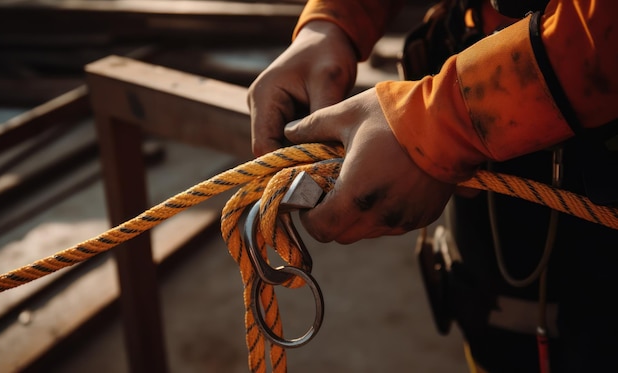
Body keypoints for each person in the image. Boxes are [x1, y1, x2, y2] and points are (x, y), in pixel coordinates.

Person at [247, 0, 618, 372]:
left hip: (583, 134)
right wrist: (334, 22)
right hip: (482, 80)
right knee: (495, 323)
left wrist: (445, 124)